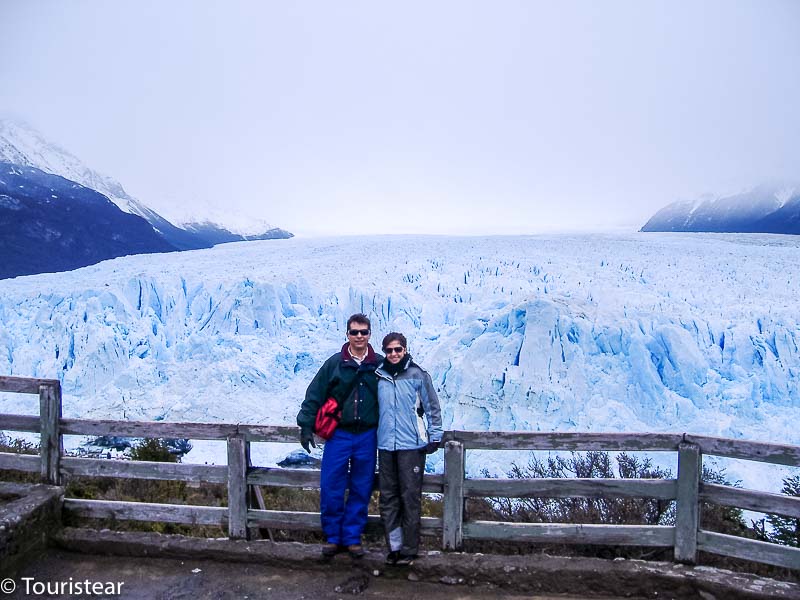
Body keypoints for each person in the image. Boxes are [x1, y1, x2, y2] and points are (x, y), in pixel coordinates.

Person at [296, 313, 382, 559]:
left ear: (369, 335)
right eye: (354, 332)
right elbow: (314, 394)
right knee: (331, 485)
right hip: (339, 434)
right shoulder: (334, 364)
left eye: (363, 332)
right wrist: (305, 424)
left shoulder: (378, 365)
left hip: (367, 434)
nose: (359, 336)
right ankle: (333, 537)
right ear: (347, 334)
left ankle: (352, 538)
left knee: (361, 487)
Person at [375, 332, 443, 566]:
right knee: (388, 497)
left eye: (398, 349)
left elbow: (432, 406)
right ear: (384, 352)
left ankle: (410, 548)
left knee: (409, 497)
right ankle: (393, 547)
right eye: (389, 350)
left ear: (405, 350)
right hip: (385, 445)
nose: (393, 354)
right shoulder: (379, 375)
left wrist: (435, 436)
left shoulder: (417, 375)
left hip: (411, 446)